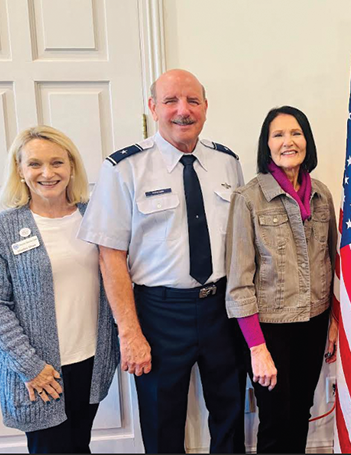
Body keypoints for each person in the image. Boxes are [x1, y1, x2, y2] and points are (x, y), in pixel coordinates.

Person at [77, 69, 247, 453]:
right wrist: (130, 333)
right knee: (161, 423)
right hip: (159, 313)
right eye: (170, 101)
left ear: (205, 107)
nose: (182, 111)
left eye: (192, 101)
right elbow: (110, 256)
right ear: (153, 107)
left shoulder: (227, 163)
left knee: (231, 413)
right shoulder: (124, 168)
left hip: (222, 307)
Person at [225, 106, 338, 453]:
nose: (288, 141)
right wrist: (257, 349)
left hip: (314, 323)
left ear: (307, 141)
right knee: (275, 418)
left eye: (296, 133)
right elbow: (239, 283)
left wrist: (333, 320)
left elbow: (333, 262)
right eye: (278, 135)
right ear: (267, 145)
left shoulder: (321, 195)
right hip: (270, 330)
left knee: (300, 412)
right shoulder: (248, 199)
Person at [0, 126, 119, 453]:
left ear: (71, 167)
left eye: (57, 163)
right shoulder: (5, 227)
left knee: (79, 445)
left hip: (91, 362)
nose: (47, 173)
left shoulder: (93, 216)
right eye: (35, 164)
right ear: (20, 171)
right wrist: (31, 367)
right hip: (40, 372)